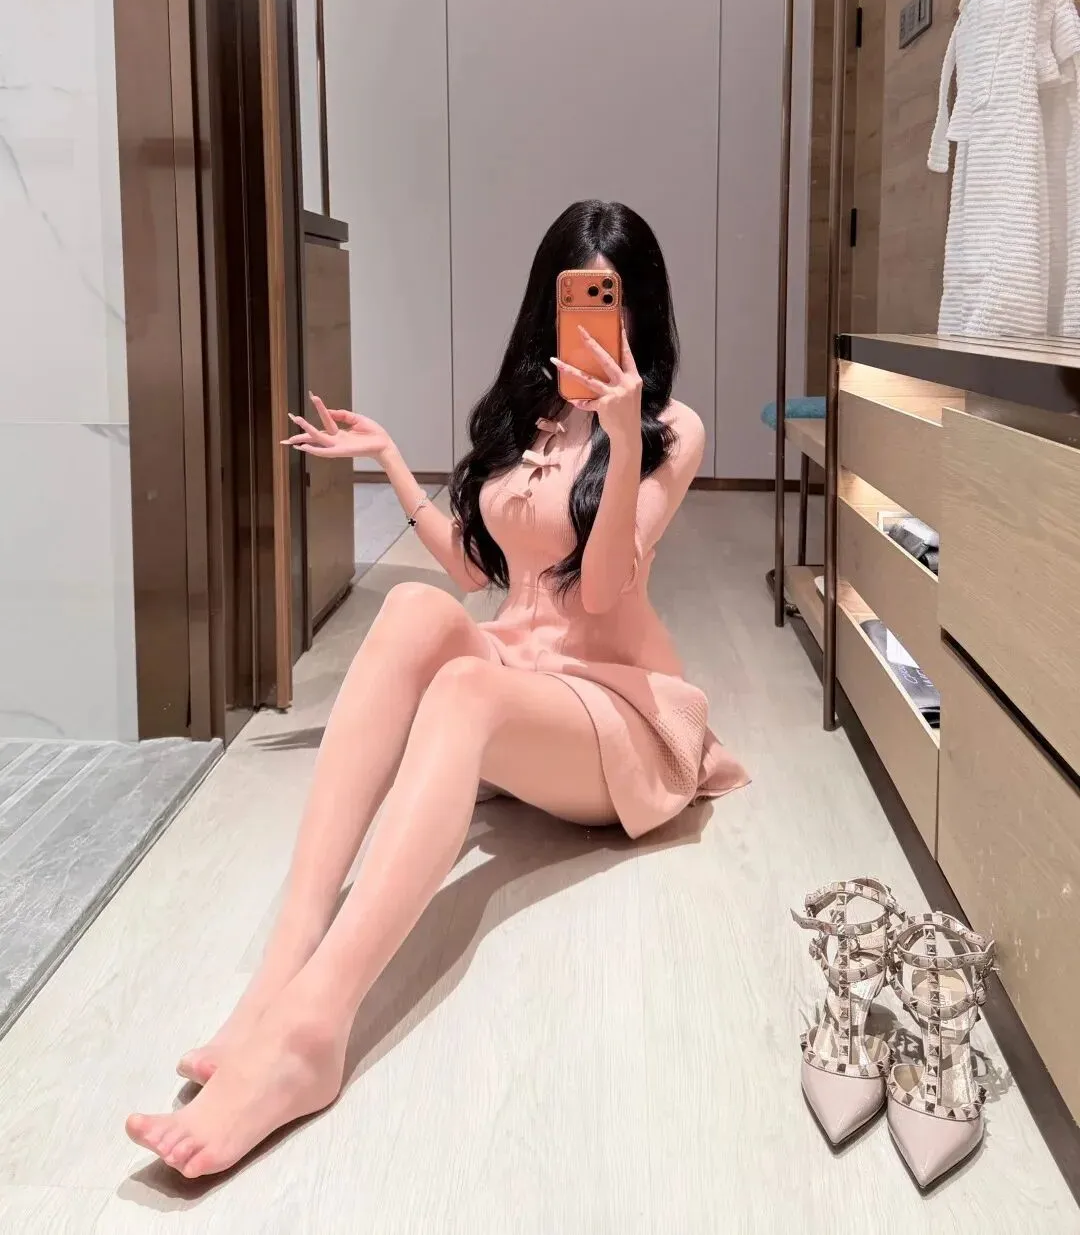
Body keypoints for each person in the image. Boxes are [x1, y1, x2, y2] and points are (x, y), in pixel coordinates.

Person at [126, 199, 748, 1179]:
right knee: (417, 610)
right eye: (578, 299)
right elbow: (469, 569)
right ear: (549, 304)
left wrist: (623, 440)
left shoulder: (671, 428)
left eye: (614, 301)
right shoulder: (529, 412)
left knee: (462, 688)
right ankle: (283, 966)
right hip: (521, 679)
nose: (595, 324)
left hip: (612, 711)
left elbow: (603, 590)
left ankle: (311, 1033)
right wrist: (388, 462)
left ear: (641, 309)